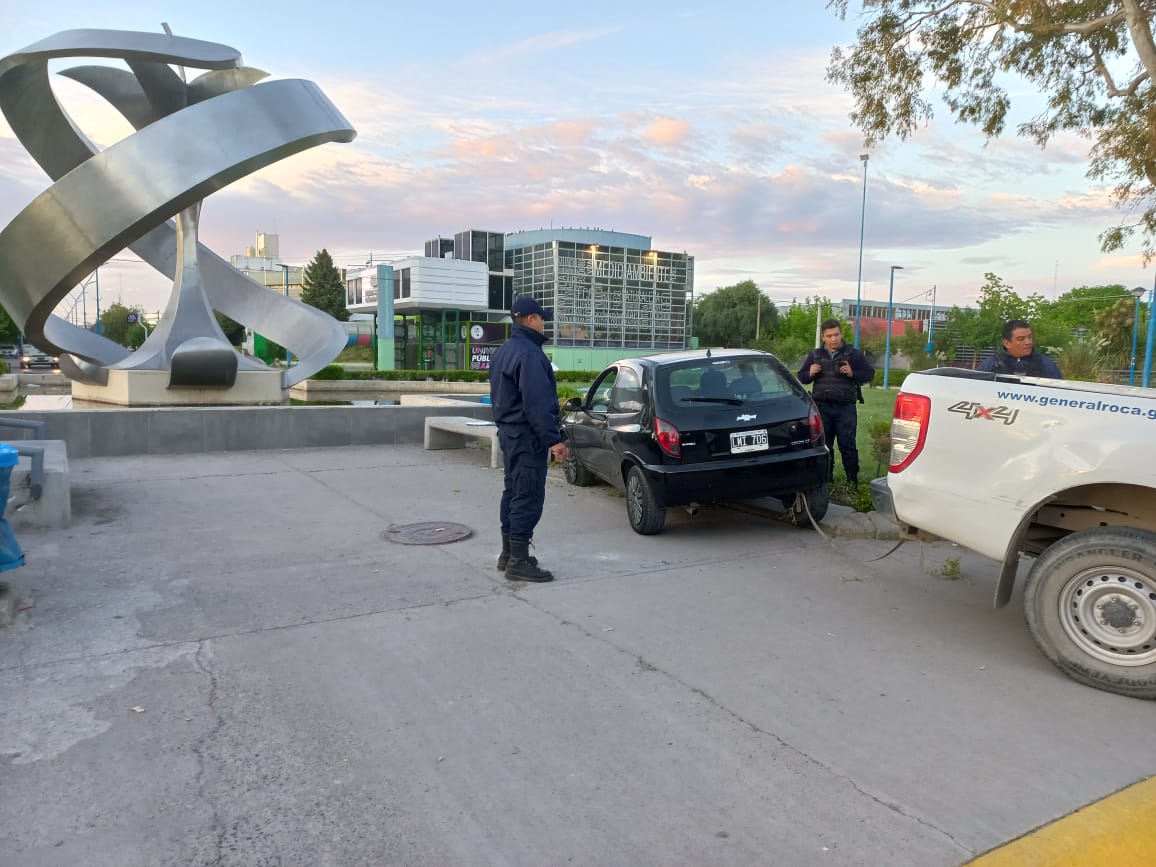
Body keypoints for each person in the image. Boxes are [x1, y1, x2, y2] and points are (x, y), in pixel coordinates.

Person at [488, 296, 569, 582]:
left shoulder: (504, 351)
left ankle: (508, 554)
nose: (544, 322)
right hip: (526, 437)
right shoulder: (530, 355)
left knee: (512, 492)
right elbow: (537, 403)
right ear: (531, 319)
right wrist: (554, 441)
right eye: (542, 318)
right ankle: (518, 563)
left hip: (509, 434)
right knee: (528, 495)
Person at [797, 319, 874, 487]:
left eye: (836, 335)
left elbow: (869, 374)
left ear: (842, 334)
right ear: (824, 337)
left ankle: (852, 482)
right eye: (829, 336)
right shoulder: (815, 355)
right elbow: (801, 377)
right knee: (825, 445)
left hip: (845, 408)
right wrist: (809, 373)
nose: (833, 339)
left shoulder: (853, 354)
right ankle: (827, 480)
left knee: (848, 446)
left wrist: (854, 373)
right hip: (822, 408)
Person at [978, 319, 1063, 378]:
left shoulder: (1045, 363)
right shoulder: (991, 365)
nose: (1028, 342)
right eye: (1021, 339)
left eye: (1030, 337)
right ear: (1007, 343)